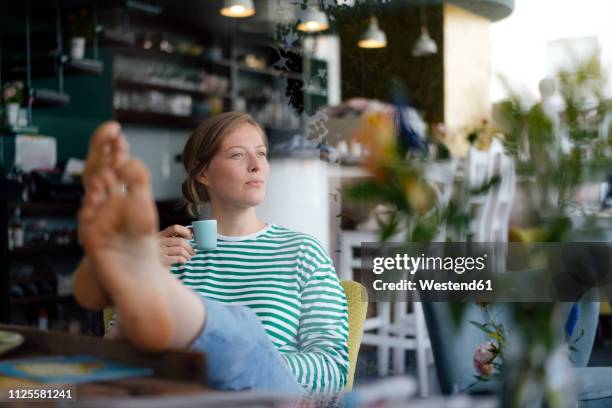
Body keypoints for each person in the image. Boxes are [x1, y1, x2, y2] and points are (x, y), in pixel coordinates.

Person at [73, 112, 349, 394]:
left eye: (262, 154)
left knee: (244, 338)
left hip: (266, 397)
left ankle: (131, 271)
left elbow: (333, 368)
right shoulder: (172, 249)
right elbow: (114, 355)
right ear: (203, 172)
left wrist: (248, 360)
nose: (256, 166)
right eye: (237, 155)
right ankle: (127, 269)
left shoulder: (303, 252)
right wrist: (154, 269)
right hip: (182, 398)